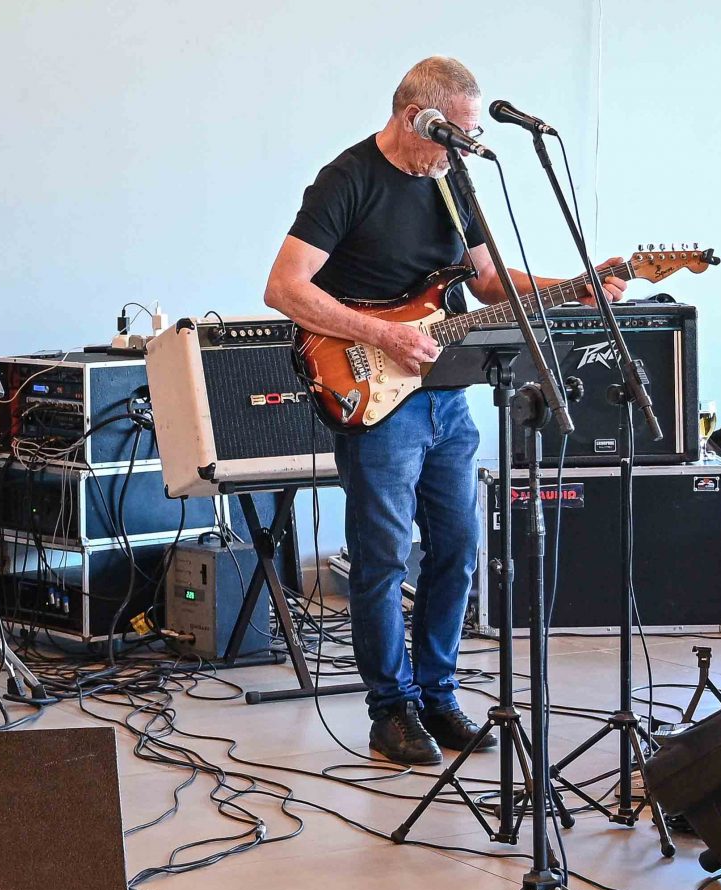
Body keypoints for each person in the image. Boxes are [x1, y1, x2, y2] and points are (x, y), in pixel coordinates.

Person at [264, 56, 619, 767]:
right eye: (454, 132)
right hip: (371, 389)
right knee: (382, 556)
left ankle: (437, 694)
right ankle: (389, 710)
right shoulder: (347, 179)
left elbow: (487, 281)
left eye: (471, 133)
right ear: (413, 118)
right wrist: (381, 333)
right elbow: (284, 287)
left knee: (457, 548)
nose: (465, 145)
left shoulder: (453, 178)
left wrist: (574, 286)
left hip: (446, 393)